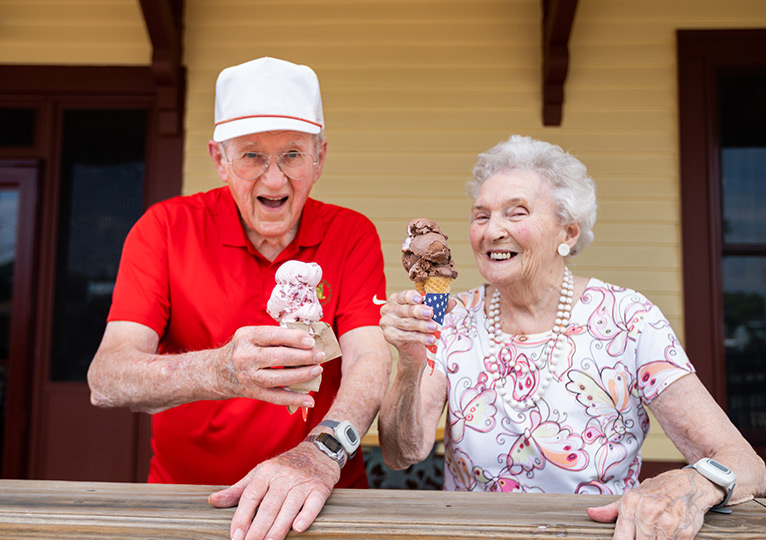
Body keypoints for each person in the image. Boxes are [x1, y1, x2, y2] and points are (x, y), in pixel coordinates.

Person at [378, 135, 766, 539]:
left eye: (517, 213)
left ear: (568, 233)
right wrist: (409, 364)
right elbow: (400, 453)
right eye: (481, 216)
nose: (493, 230)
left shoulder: (628, 320)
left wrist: (692, 485)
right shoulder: (450, 317)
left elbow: (746, 464)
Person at [87, 57, 392, 540]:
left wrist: (321, 454)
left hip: (320, 497)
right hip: (189, 503)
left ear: (320, 157)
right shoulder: (165, 229)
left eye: (292, 155)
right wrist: (220, 370)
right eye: (251, 155)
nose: (274, 180)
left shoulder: (352, 234)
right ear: (218, 158)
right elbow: (106, 378)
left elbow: (368, 361)